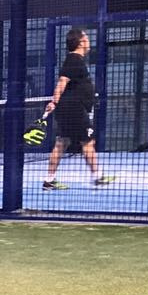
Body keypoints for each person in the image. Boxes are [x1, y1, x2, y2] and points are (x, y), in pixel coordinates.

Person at [42, 29, 114, 190]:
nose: (89, 41)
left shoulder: (75, 60)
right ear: (81, 43)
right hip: (74, 109)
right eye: (86, 38)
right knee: (88, 142)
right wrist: (54, 101)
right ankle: (97, 177)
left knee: (62, 142)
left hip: (69, 108)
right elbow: (62, 82)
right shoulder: (74, 60)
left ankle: (49, 180)